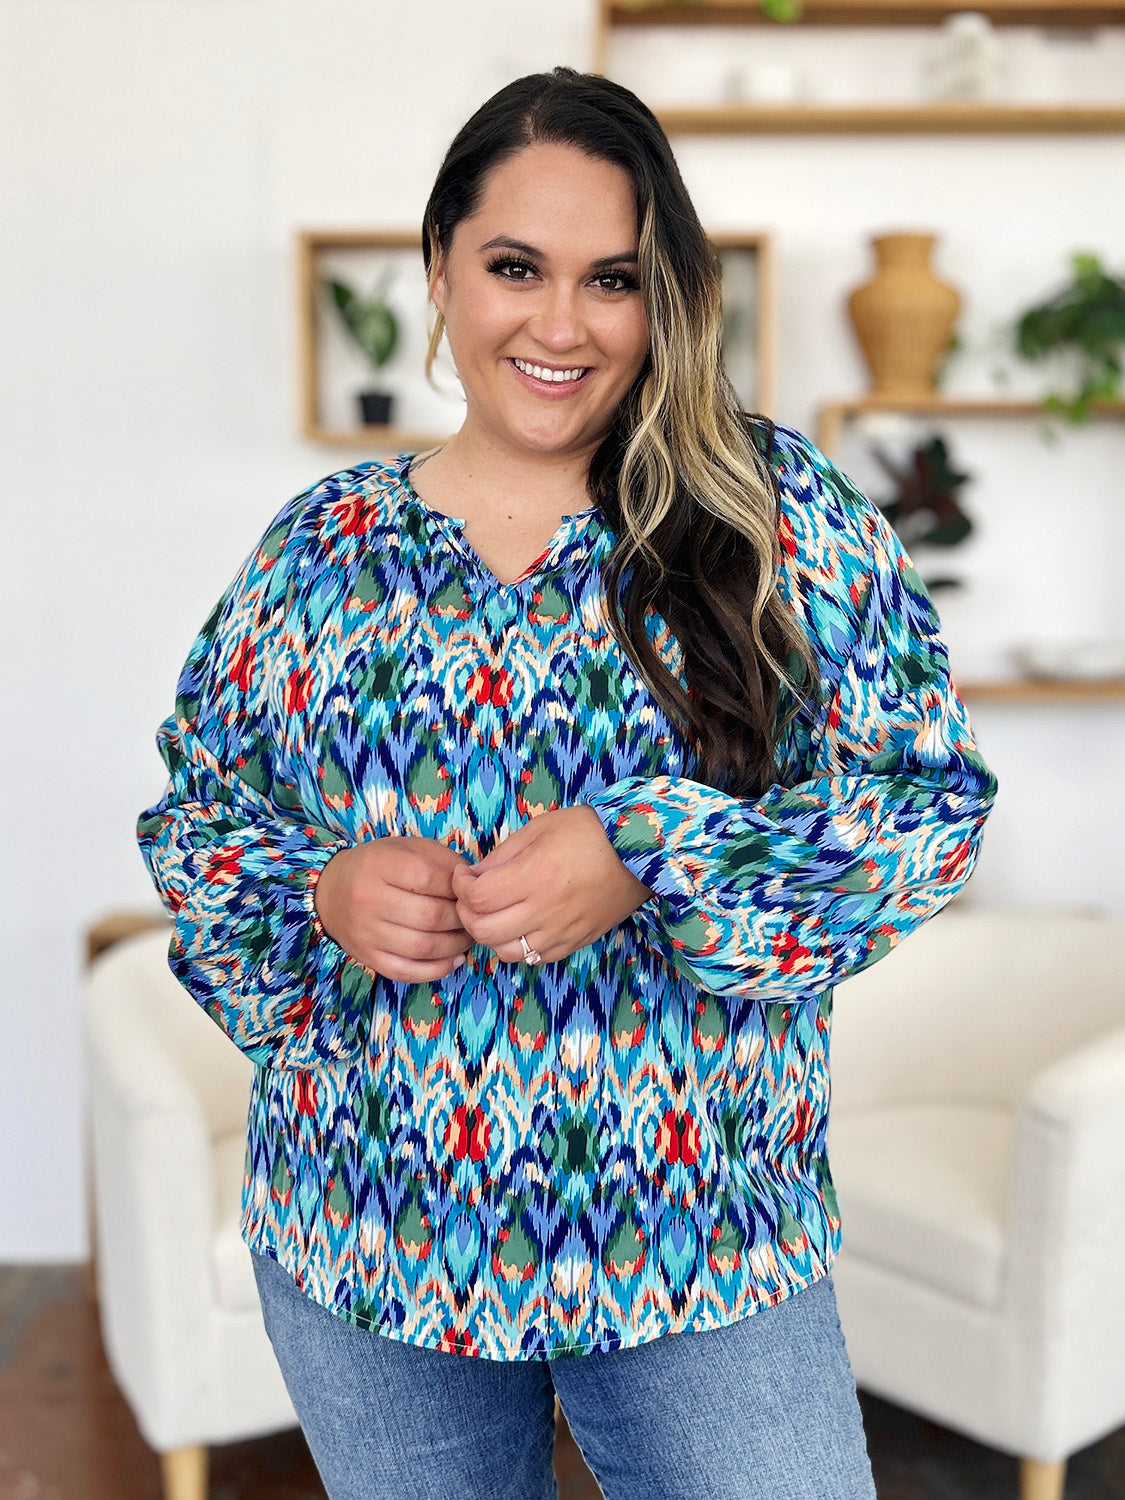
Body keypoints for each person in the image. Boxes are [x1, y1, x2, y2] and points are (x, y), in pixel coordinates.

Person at [137, 65, 996, 1500]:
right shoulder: (319, 549)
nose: (560, 325)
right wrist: (323, 888)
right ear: (439, 269)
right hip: (370, 1238)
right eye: (514, 267)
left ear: (665, 299)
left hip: (700, 1244)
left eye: (612, 280)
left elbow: (926, 807)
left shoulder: (771, 514)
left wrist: (650, 850)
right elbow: (195, 818)